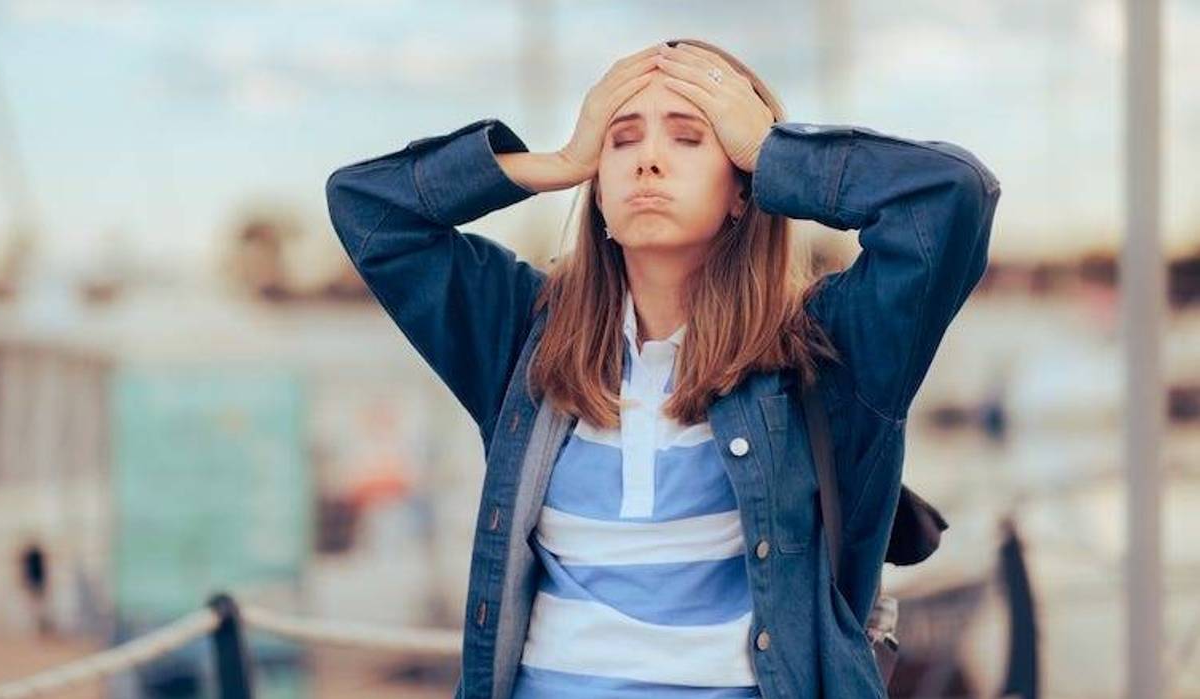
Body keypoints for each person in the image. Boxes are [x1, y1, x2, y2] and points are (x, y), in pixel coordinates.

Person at [326, 37, 1000, 699]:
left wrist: (775, 154)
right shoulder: (520, 337)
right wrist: (555, 161)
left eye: (687, 138)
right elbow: (369, 209)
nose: (647, 160)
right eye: (618, 140)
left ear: (744, 189)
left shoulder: (828, 350)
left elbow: (952, 196)